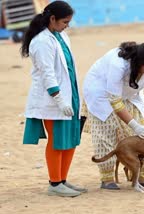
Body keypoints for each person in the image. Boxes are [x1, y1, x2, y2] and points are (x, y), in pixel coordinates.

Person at [83, 41, 144, 190]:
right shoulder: (118, 64)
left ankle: (141, 176)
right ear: (138, 62)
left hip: (130, 93)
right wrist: (134, 126)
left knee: (142, 137)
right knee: (107, 133)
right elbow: (115, 101)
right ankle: (107, 179)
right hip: (101, 93)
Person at [21, 1, 87, 197]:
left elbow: (68, 68)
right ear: (52, 19)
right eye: (65, 21)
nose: (67, 25)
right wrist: (59, 100)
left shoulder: (61, 36)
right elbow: (47, 73)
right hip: (53, 98)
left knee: (71, 139)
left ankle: (63, 179)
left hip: (70, 94)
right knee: (57, 140)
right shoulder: (41, 42)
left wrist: (70, 99)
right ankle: (55, 182)